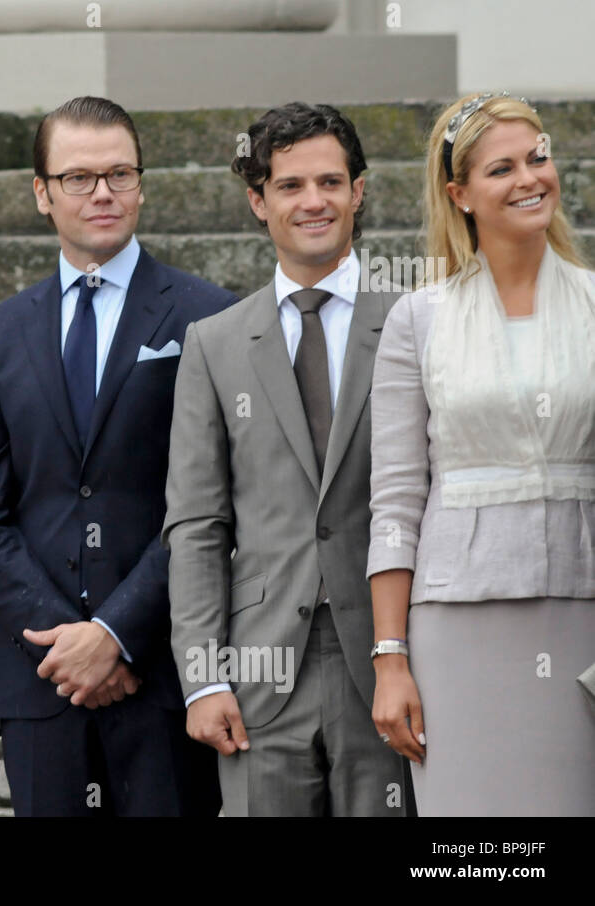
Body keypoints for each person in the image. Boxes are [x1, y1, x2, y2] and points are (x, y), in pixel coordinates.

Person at [0, 96, 232, 816]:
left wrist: (116, 634)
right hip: (41, 679)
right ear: (42, 193)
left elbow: (217, 501)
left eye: (119, 174)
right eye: (78, 178)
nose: (102, 193)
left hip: (164, 676)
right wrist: (68, 646)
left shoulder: (209, 317)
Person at [164, 103, 406, 816]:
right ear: (258, 200)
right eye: (292, 185)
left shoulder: (413, 321)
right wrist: (204, 678)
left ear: (358, 192)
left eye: (331, 182)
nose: (314, 201)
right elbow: (197, 522)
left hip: (388, 660)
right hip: (258, 670)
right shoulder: (214, 344)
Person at [368, 93, 595, 816]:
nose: (531, 178)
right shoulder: (417, 319)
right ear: (459, 194)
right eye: (503, 168)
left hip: (583, 613)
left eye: (539, 157)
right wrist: (391, 660)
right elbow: (396, 501)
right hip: (455, 627)